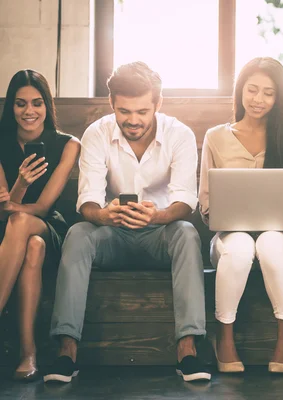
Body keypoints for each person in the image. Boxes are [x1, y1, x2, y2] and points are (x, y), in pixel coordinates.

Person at [44, 62, 210, 383]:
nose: (133, 120)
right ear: (111, 104)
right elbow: (87, 201)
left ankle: (187, 350)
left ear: (158, 105)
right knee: (78, 233)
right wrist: (103, 215)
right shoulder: (97, 133)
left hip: (161, 234)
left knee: (187, 234)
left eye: (142, 111)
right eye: (124, 111)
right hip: (113, 233)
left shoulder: (180, 135)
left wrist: (157, 216)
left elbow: (185, 202)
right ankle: (66, 350)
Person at [199, 57, 283, 374]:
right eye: (252, 90)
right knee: (240, 247)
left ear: (279, 98)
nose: (258, 100)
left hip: (282, 239)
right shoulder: (216, 137)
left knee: (271, 244)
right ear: (240, 91)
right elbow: (205, 203)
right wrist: (225, 215)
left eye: (268, 93)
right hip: (229, 239)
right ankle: (224, 337)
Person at [0, 70, 80, 382]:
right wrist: (20, 182)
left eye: (37, 103)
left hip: (51, 226)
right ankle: (28, 353)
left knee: (26, 225)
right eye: (20, 104)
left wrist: (14, 202)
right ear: (12, 107)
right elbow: (5, 209)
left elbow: (44, 207)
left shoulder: (68, 144)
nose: (29, 111)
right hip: (9, 229)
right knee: (32, 245)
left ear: (47, 105)